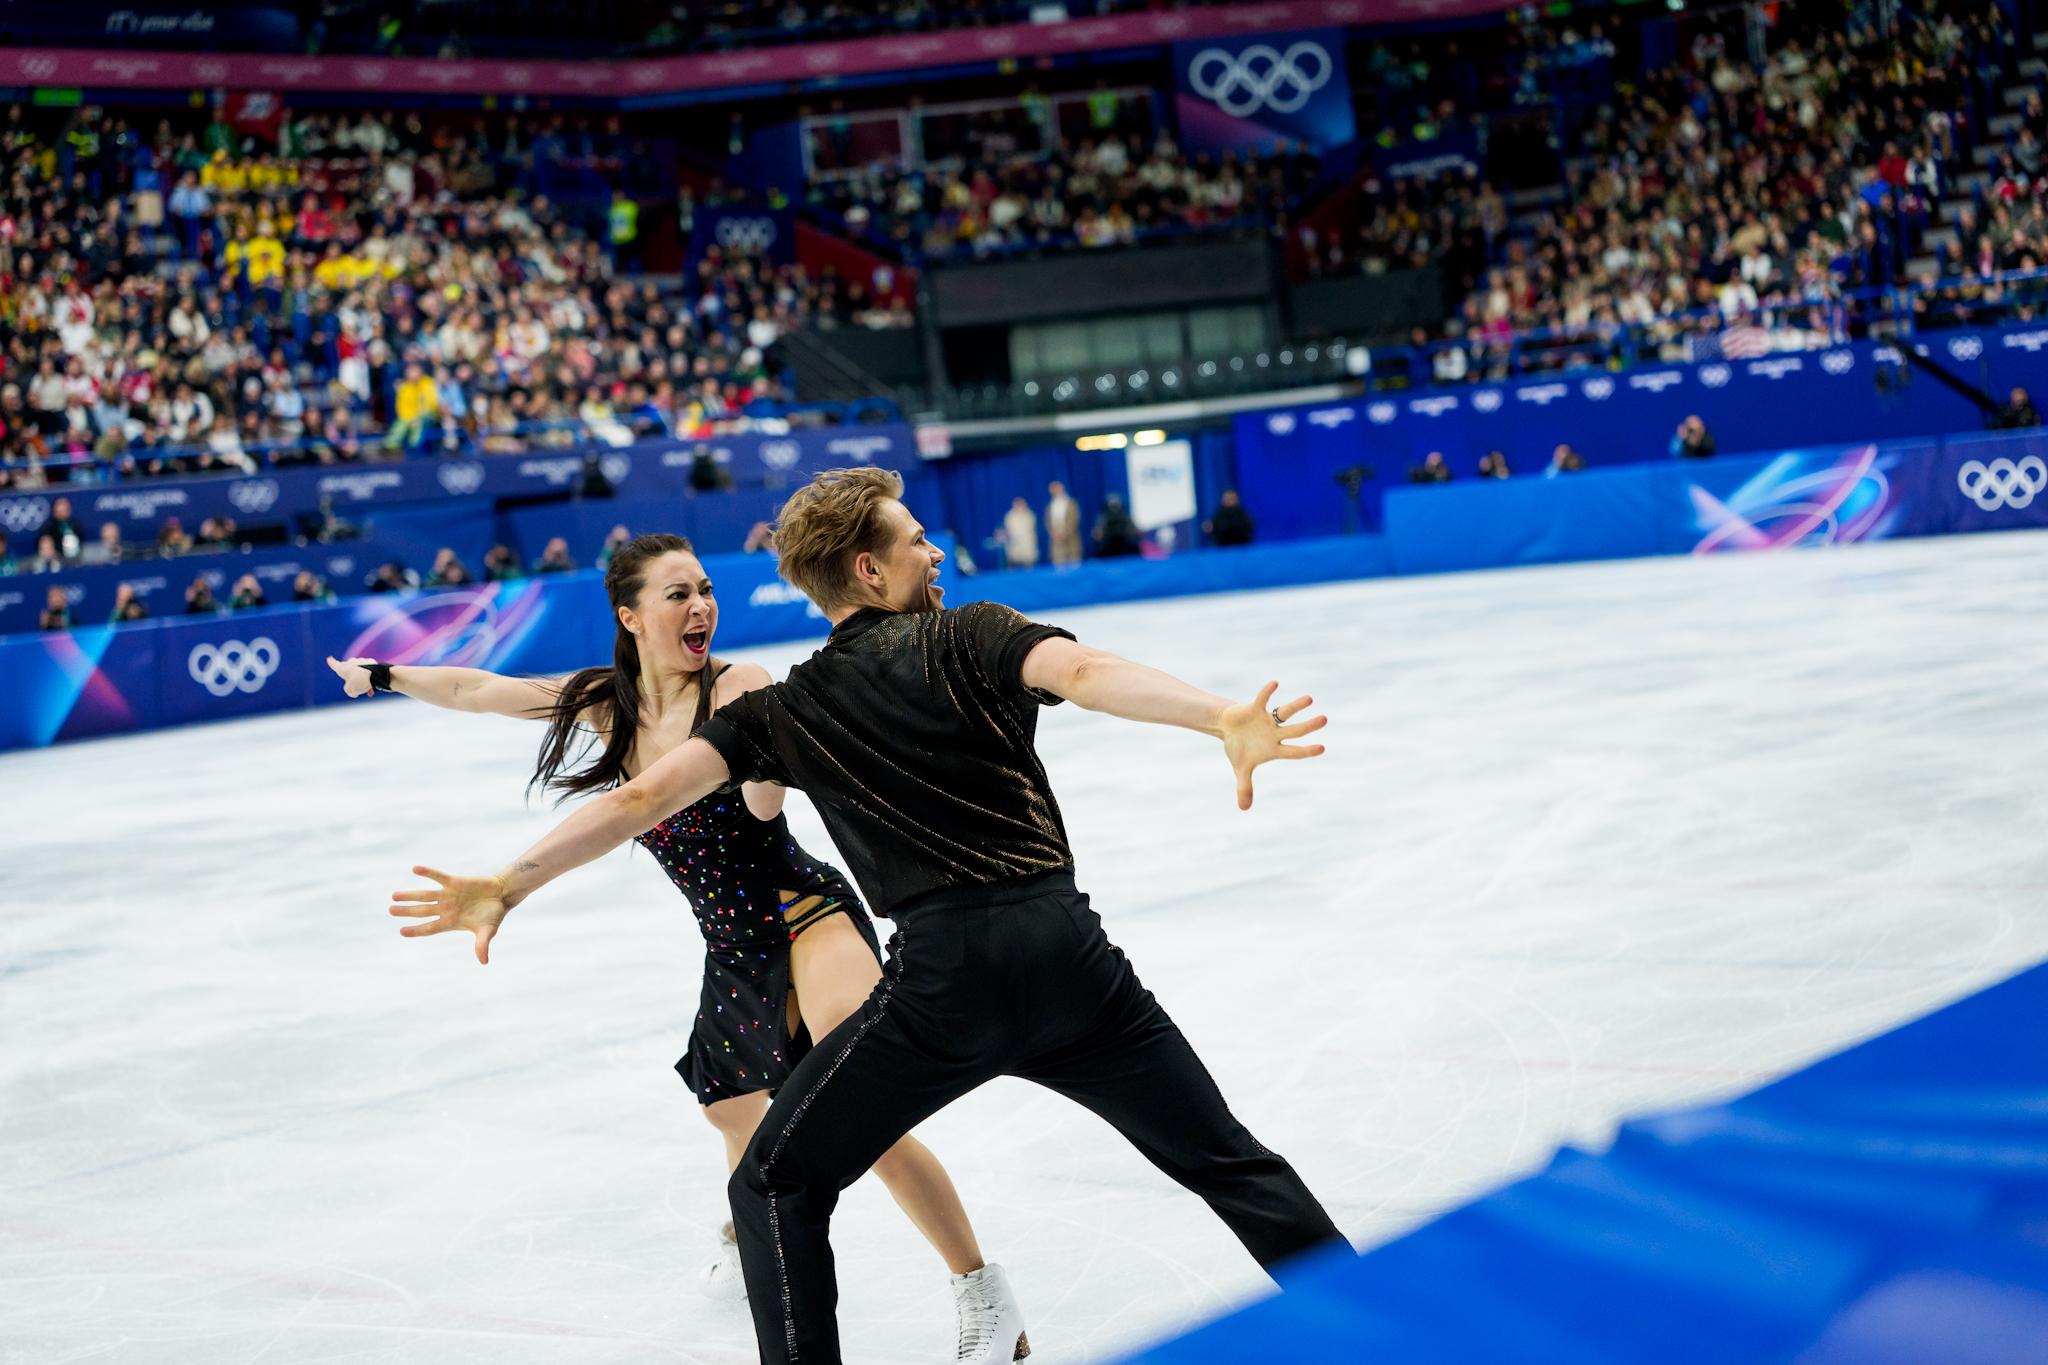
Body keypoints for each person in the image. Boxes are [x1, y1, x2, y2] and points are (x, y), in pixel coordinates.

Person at [390, 468, 1342, 1365]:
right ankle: (1390, 1330)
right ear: (869, 569)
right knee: (1229, 1161)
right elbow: (1087, 671)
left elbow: (642, 801)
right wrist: (1218, 716)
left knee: (774, 1180)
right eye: (916, 540)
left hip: (943, 990)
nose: (936, 552)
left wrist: (510, 883)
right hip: (1073, 963)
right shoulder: (976, 632)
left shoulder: (786, 707)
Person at [328, 533, 1014, 1350]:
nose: (701, 606)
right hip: (732, 942)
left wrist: (767, 764)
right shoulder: (606, 704)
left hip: (804, 915)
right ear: (631, 616)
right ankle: (749, 1229)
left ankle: (983, 1292)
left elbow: (763, 807)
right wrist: (384, 674)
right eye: (678, 594)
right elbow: (479, 688)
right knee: (732, 1110)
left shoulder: (739, 686)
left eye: (706, 589)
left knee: (862, 1114)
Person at [1092, 492, 1140, 557]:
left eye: (1116, 506)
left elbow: (1135, 532)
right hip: (1108, 549)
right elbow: (1097, 534)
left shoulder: (1126, 518)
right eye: (1112, 506)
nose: (1114, 510)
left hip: (1125, 548)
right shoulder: (1102, 519)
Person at [1045, 480, 1081, 566]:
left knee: (1074, 567)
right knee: (1059, 567)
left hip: (1071, 542)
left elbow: (1074, 521)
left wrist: (1065, 534)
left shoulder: (1071, 503)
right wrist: (1055, 534)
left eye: (1055, 488)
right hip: (1057, 544)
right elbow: (1048, 523)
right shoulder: (1050, 506)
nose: (1053, 491)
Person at [998, 496, 1039, 570]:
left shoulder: (1030, 515)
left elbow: (1032, 532)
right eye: (1018, 504)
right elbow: (1008, 531)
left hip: (1028, 548)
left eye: (1022, 504)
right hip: (1014, 548)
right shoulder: (1010, 516)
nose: (1020, 506)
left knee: (1029, 568)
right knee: (1012, 568)